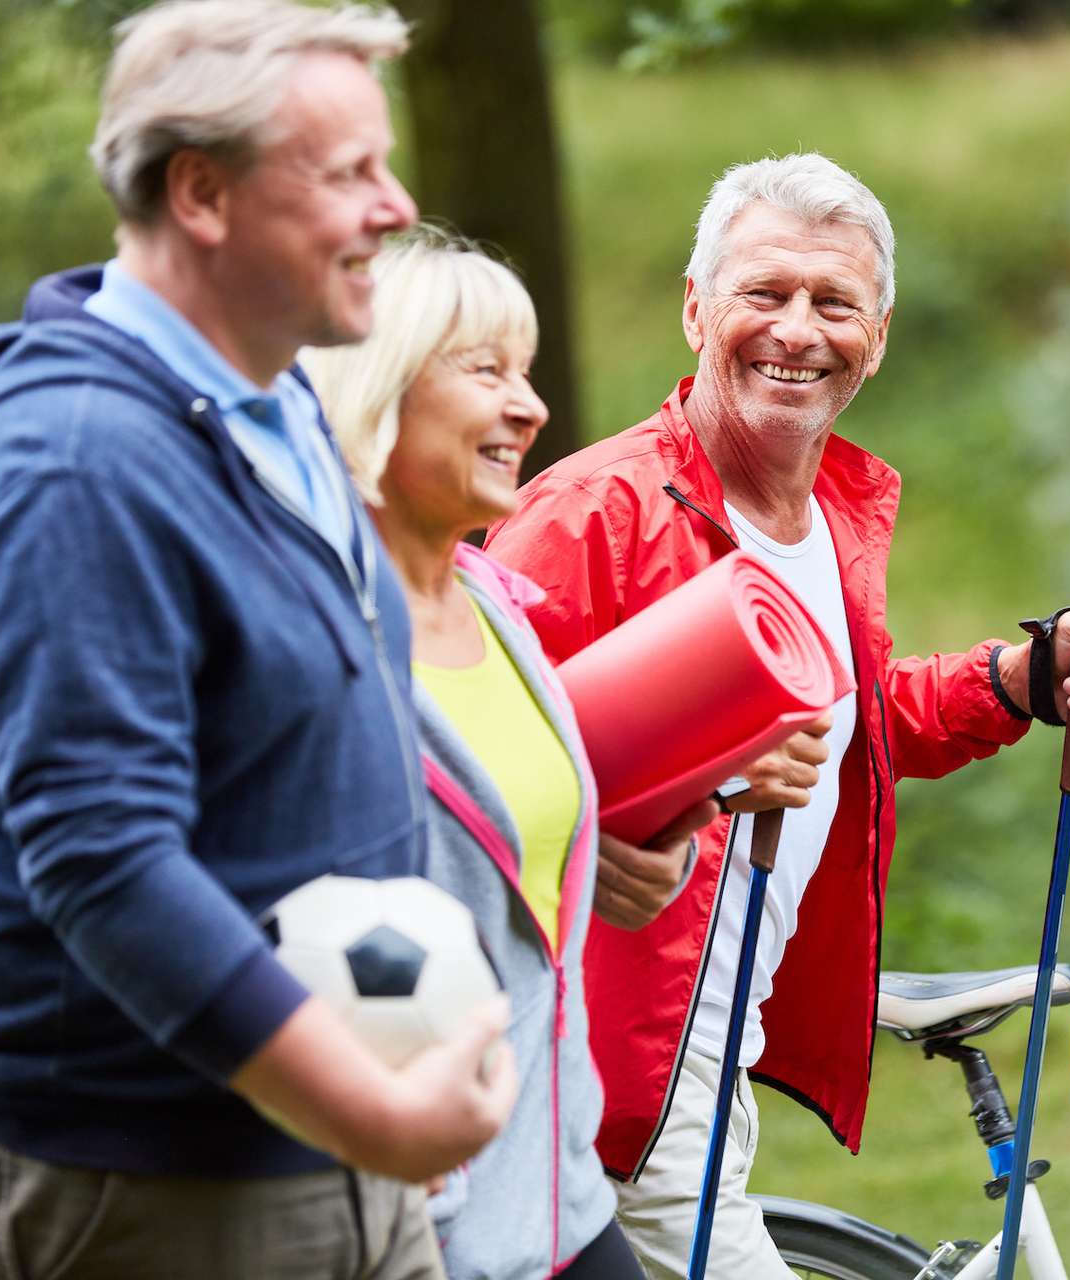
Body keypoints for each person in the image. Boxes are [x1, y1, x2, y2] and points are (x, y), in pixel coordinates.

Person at [0, 6, 518, 1278]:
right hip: (135, 1185)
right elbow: (106, 864)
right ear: (202, 193)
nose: (396, 207)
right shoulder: (74, 465)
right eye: (348, 174)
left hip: (320, 1151)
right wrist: (367, 1105)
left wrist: (387, 1069)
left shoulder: (274, 404)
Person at [482, 152, 1070, 1278]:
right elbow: (462, 764)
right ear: (697, 307)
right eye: (765, 292)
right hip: (609, 1052)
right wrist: (621, 827)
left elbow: (844, 720)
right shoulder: (596, 514)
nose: (798, 329)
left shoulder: (830, 510)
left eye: (834, 302)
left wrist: (1018, 681)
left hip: (716, 1042)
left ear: (875, 337)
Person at [300, 229, 716, 1280]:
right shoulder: (304, 637)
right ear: (375, 385)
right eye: (485, 371)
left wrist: (623, 858)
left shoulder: (495, 601)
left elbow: (515, 861)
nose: (529, 407)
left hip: (558, 1195)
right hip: (400, 1228)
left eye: (525, 373)